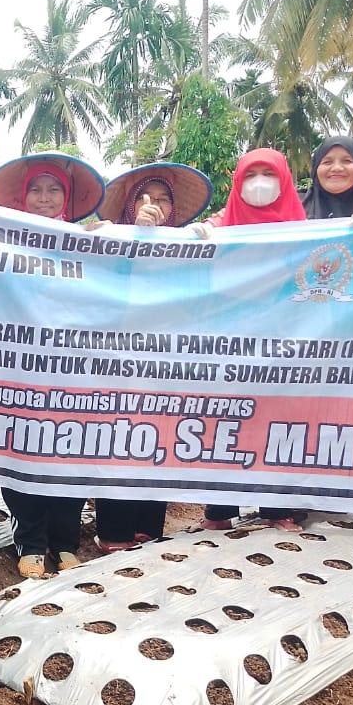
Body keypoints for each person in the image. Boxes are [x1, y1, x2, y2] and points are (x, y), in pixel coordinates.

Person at [0, 154, 106, 577]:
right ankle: (30, 540)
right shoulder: (2, 238)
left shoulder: (88, 241)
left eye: (54, 189)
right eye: (35, 189)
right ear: (23, 195)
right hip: (18, 366)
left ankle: (66, 541)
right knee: (20, 447)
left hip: (73, 366)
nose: (44, 198)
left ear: (67, 197)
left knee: (67, 448)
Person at [92, 164, 213, 552]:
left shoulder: (191, 244)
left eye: (163, 199)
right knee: (117, 436)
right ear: (128, 206)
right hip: (116, 361)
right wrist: (122, 237)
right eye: (145, 197)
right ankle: (113, 530)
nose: (154, 206)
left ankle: (148, 525)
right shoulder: (108, 240)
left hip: (167, 363)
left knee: (157, 437)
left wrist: (205, 244)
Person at [193, 149, 308, 532]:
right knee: (226, 421)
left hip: (284, 342)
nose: (260, 182)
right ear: (238, 183)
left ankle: (276, 509)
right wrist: (193, 238)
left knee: (278, 422)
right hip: (229, 344)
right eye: (251, 174)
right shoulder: (219, 226)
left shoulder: (308, 230)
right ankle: (219, 509)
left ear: (285, 180)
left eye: (268, 173)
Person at [302, 136, 353, 220]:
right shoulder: (292, 215)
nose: (336, 168)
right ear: (315, 170)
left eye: (347, 161)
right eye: (327, 162)